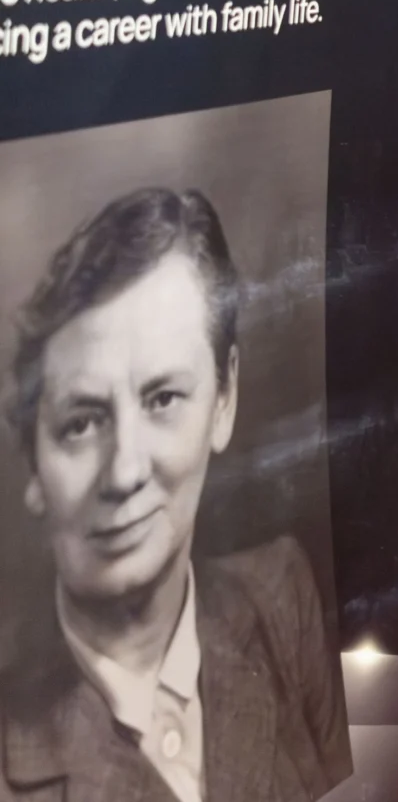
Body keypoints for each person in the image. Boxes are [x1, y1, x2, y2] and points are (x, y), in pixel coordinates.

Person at [2, 188, 352, 802]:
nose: (124, 472)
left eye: (163, 398)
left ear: (224, 400)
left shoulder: (279, 596)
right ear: (33, 463)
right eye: (82, 422)